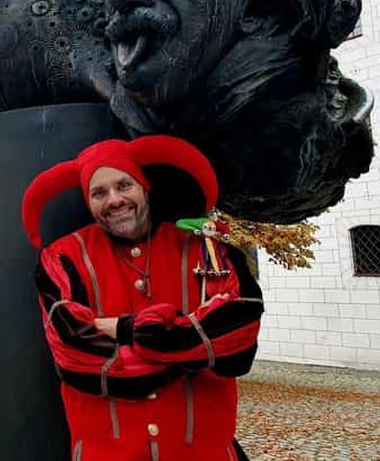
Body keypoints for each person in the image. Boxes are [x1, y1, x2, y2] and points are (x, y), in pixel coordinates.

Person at [21, 136, 264, 461]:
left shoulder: (206, 250)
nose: (114, 199)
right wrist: (186, 343)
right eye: (99, 192)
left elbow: (238, 339)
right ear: (88, 201)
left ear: (145, 187)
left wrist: (124, 331)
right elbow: (74, 353)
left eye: (124, 185)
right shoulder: (62, 259)